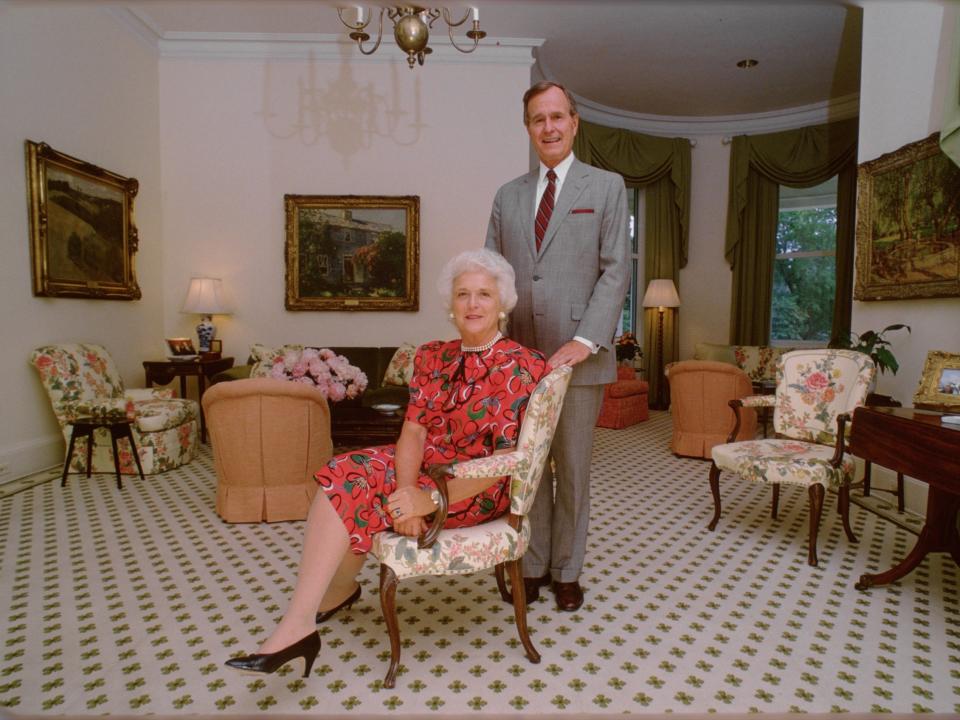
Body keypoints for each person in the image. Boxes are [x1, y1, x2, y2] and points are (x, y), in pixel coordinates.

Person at [225, 248, 550, 677]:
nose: (473, 304)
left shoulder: (523, 364)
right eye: (463, 294)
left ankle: (328, 601)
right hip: (425, 470)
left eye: (484, 295)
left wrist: (429, 500)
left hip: (476, 486)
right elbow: (413, 431)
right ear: (450, 304)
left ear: (502, 303)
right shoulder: (433, 356)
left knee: (357, 491)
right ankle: (303, 620)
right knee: (343, 473)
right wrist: (404, 489)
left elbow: (508, 460)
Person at [485, 81, 629, 612]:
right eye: (537, 119)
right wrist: (494, 343)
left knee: (571, 469)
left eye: (556, 117)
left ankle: (569, 570)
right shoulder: (508, 195)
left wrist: (584, 340)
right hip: (519, 360)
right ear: (528, 128)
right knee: (528, 466)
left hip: (580, 361)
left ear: (574, 121)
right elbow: (495, 273)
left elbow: (616, 273)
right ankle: (534, 563)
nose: (548, 127)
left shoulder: (607, 187)